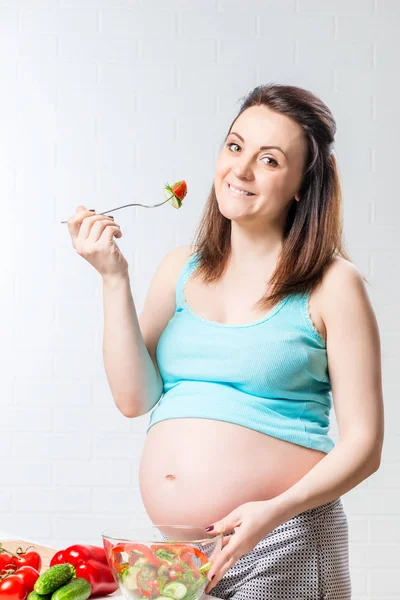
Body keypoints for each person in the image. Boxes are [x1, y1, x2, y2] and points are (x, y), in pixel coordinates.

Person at [67, 83, 384, 600]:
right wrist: (112, 279)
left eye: (269, 160)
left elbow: (365, 447)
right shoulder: (179, 268)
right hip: (186, 556)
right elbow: (134, 399)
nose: (240, 170)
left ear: (302, 184)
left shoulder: (332, 284)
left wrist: (271, 512)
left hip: (285, 540)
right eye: (235, 147)